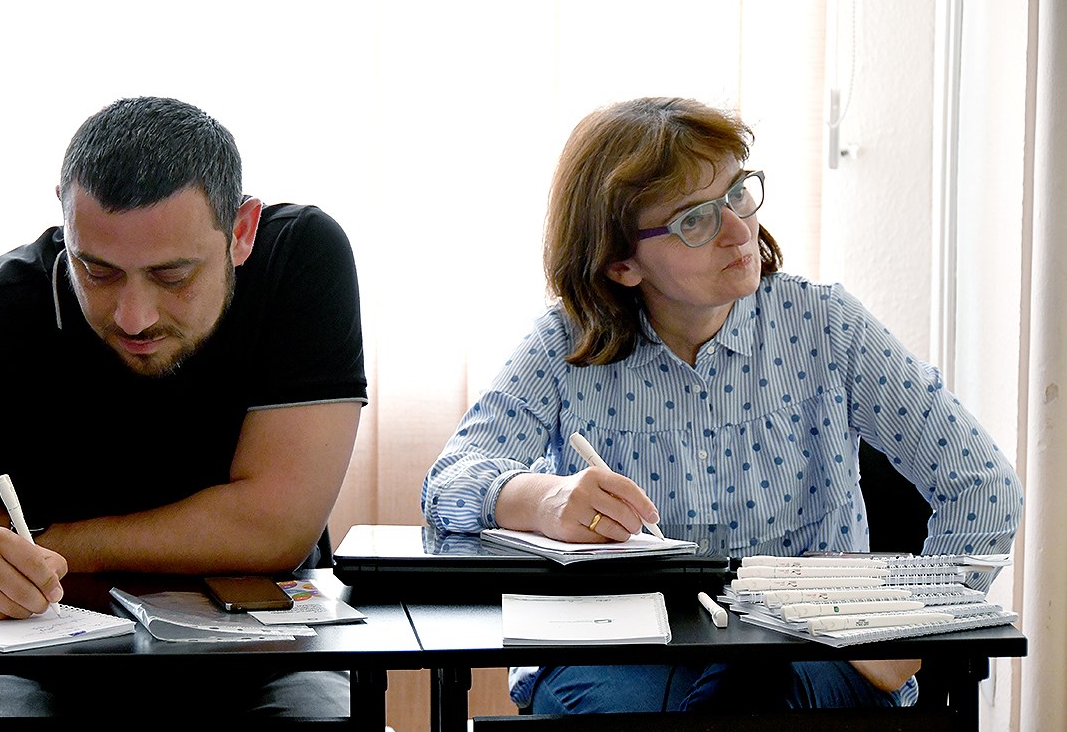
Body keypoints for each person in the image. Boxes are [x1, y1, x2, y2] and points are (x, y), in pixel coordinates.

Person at [421, 97, 1023, 714]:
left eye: (737, 194)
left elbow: (984, 484)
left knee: (749, 693)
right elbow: (447, 485)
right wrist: (542, 499)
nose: (739, 231)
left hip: (809, 646)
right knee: (623, 712)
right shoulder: (566, 343)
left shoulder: (825, 324)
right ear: (622, 263)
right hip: (621, 645)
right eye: (695, 221)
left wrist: (910, 619)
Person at [0, 97, 367, 722]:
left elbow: (272, 525)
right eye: (97, 271)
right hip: (26, 656)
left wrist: (40, 539)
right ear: (64, 215)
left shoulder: (298, 257)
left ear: (241, 232)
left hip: (262, 653)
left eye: (172, 277)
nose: (133, 317)